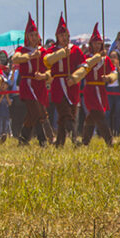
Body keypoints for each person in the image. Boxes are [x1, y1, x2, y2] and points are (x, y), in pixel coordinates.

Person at [43, 14, 86, 148]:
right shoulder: (52, 50)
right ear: (57, 37)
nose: (64, 37)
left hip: (71, 84)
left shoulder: (75, 50)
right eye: (61, 35)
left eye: (65, 35)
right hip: (58, 85)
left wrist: (75, 77)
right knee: (65, 113)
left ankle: (59, 144)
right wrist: (62, 53)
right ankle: (74, 137)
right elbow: (47, 61)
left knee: (67, 115)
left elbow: (83, 66)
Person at [12, 14, 54, 147]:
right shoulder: (22, 50)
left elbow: (50, 69)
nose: (34, 37)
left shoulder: (43, 51)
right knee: (37, 111)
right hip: (27, 85)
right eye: (31, 35)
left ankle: (23, 139)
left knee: (33, 114)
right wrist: (30, 56)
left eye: (36, 35)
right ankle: (43, 140)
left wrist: (44, 76)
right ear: (27, 36)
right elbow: (15, 59)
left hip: (39, 85)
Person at [76, 24, 117, 147]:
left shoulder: (106, 59)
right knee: (97, 113)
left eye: (99, 43)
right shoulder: (87, 58)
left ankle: (84, 142)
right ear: (91, 44)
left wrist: (108, 78)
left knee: (92, 116)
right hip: (90, 89)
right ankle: (110, 140)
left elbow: (113, 71)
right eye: (95, 43)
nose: (97, 46)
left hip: (101, 88)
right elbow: (82, 68)